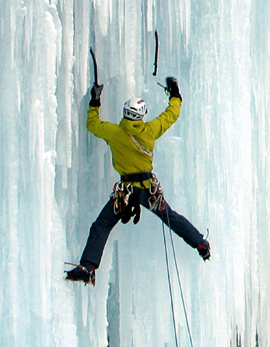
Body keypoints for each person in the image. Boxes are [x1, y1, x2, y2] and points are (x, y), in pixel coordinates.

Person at [65, 76, 211, 285]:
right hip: (148, 190)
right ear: (141, 115)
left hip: (125, 192)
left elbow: (92, 124)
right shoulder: (150, 130)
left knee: (102, 224)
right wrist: (175, 94)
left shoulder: (114, 133)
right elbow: (171, 115)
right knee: (171, 218)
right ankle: (200, 244)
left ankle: (88, 267)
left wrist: (95, 101)